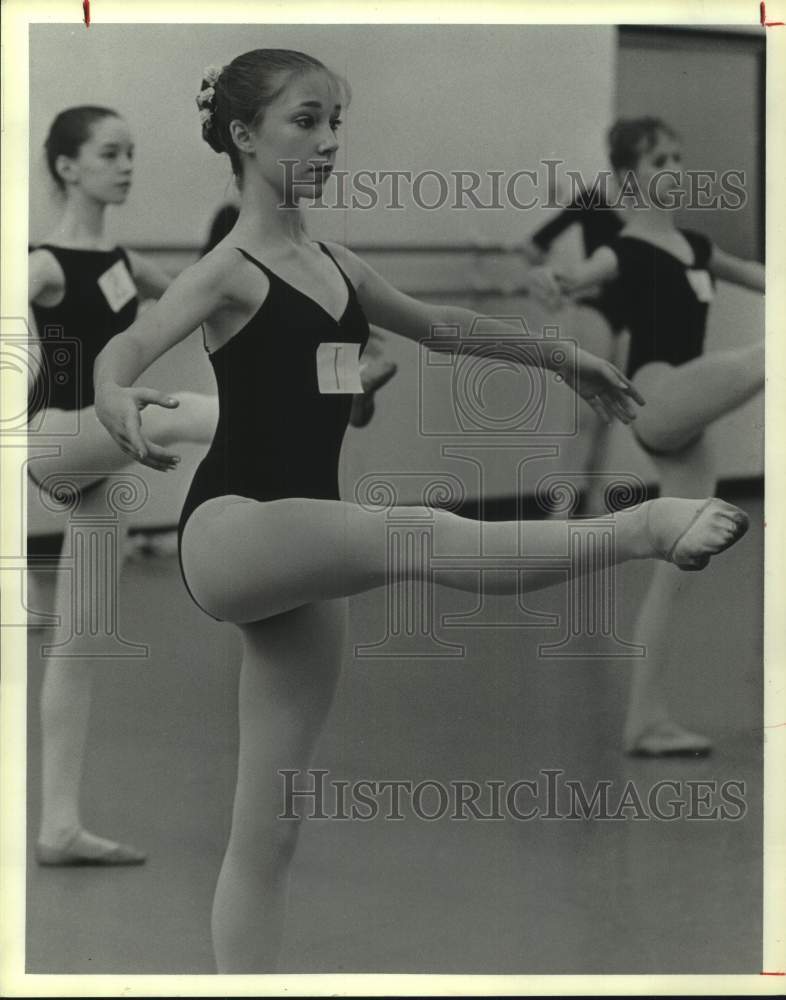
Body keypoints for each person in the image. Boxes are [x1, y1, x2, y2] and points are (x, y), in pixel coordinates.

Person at [93, 53, 749, 970]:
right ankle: (641, 527)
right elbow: (130, 341)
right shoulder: (227, 269)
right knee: (418, 533)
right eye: (305, 121)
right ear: (244, 135)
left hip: (305, 551)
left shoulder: (335, 263)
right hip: (233, 530)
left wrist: (562, 357)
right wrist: (114, 391)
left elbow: (444, 326)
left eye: (336, 124)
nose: (328, 142)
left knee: (267, 836)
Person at [528, 116, 764, 756]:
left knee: (679, 572)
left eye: (678, 157)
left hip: (690, 427)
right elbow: (577, 277)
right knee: (763, 358)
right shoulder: (625, 248)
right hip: (658, 399)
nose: (676, 171)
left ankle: (647, 722)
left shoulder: (697, 246)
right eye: (660, 160)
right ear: (629, 175)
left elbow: (764, 277)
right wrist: (554, 281)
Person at [28, 106, 219, 865]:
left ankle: (60, 827)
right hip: (56, 439)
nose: (128, 165)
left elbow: (210, 309)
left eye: (133, 152)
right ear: (69, 167)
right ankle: (304, 411)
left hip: (102, 457)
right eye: (111, 153)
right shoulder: (42, 263)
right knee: (169, 416)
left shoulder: (128, 263)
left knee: (80, 643)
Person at [201, 199, 398, 427]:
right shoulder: (223, 284)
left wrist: (343, 328)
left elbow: (356, 418)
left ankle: (352, 387)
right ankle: (351, 385)